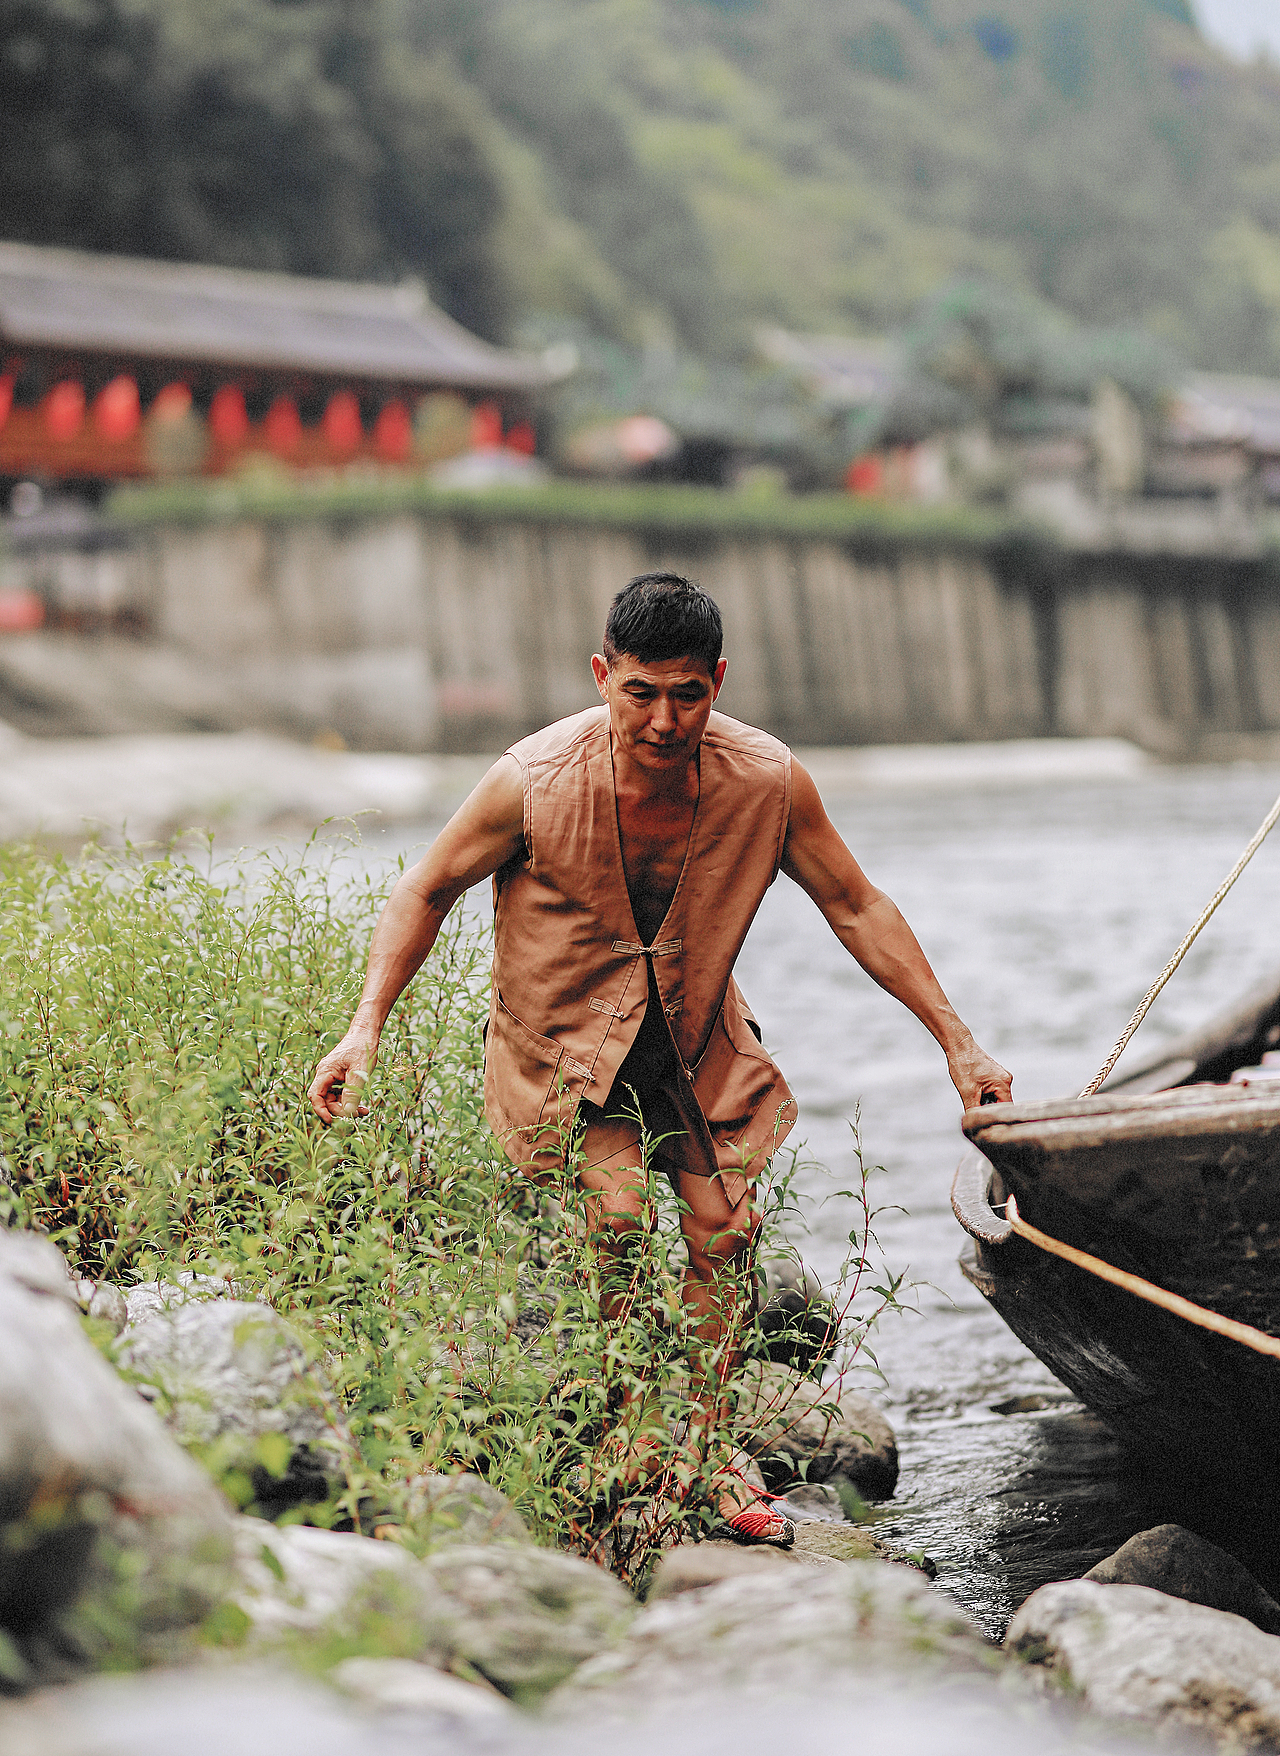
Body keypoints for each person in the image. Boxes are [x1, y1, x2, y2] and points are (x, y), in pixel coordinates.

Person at [309, 572, 1012, 1546]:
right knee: (620, 1218)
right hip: (562, 1045)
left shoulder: (765, 781)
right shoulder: (530, 780)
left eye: (688, 694)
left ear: (717, 681)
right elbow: (424, 889)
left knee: (722, 1232)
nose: (663, 719)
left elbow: (854, 904)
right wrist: (364, 1028)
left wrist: (956, 1040)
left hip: (694, 1041)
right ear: (602, 676)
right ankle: (645, 1431)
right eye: (640, 692)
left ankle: (706, 1437)